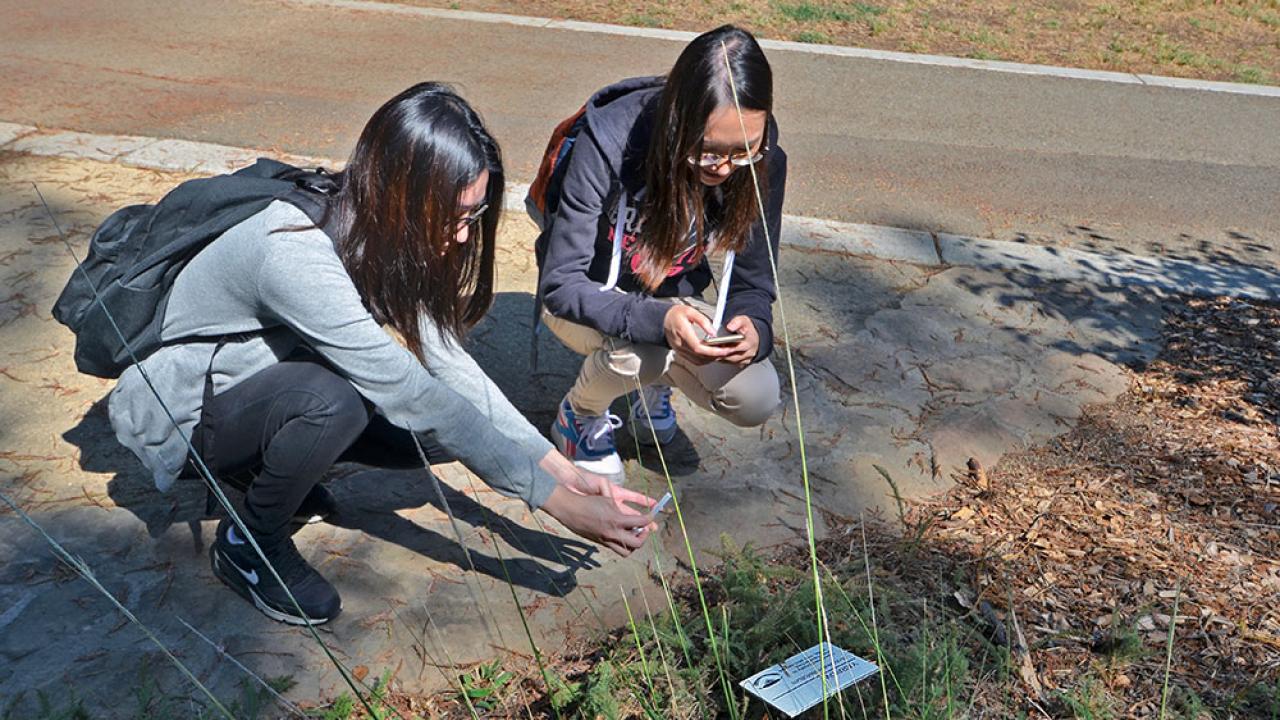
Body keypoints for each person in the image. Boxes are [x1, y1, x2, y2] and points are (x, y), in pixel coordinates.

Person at [108, 83, 657, 626]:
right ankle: (249, 543)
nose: (465, 237)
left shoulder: (385, 228)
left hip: (254, 384)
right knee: (341, 402)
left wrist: (558, 466)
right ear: (402, 191)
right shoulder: (293, 249)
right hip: (180, 413)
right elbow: (411, 389)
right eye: (456, 215)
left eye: (475, 214)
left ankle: (260, 473)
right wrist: (557, 504)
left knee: (431, 433)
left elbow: (448, 365)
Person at [535, 25, 786, 484]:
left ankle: (652, 387)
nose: (726, 168)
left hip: (670, 299)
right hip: (588, 297)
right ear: (677, 122)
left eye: (743, 150)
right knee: (642, 354)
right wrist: (660, 321)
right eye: (708, 152)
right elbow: (561, 285)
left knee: (757, 395)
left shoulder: (764, 156)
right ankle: (580, 414)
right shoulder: (608, 141)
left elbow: (754, 280)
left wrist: (754, 328)